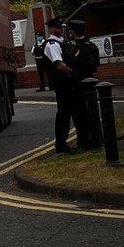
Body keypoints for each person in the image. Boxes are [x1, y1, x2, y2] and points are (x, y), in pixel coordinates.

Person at [65, 19, 101, 150]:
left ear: (73, 32)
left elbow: (89, 64)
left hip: (81, 84)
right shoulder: (90, 45)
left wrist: (74, 62)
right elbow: (96, 64)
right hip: (86, 83)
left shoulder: (81, 47)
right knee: (86, 113)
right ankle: (89, 140)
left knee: (81, 115)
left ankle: (84, 142)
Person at [41, 17, 75, 154]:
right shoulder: (52, 44)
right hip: (61, 83)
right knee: (63, 114)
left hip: (66, 83)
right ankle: (61, 144)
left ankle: (64, 143)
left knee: (67, 113)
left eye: (62, 27)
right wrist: (73, 72)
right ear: (52, 29)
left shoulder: (61, 42)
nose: (61, 30)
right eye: (58, 28)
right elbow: (59, 65)